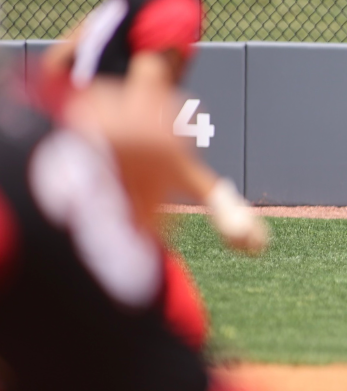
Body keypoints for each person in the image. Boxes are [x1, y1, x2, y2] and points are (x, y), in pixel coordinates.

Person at [36, 0, 276, 346]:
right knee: (175, 332)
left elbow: (56, 63)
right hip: (82, 190)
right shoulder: (176, 5)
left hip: (50, 175)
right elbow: (143, 123)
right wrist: (220, 200)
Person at [0, 71, 248, 391]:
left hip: (132, 353)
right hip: (147, 308)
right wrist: (217, 197)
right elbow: (153, 125)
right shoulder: (28, 98)